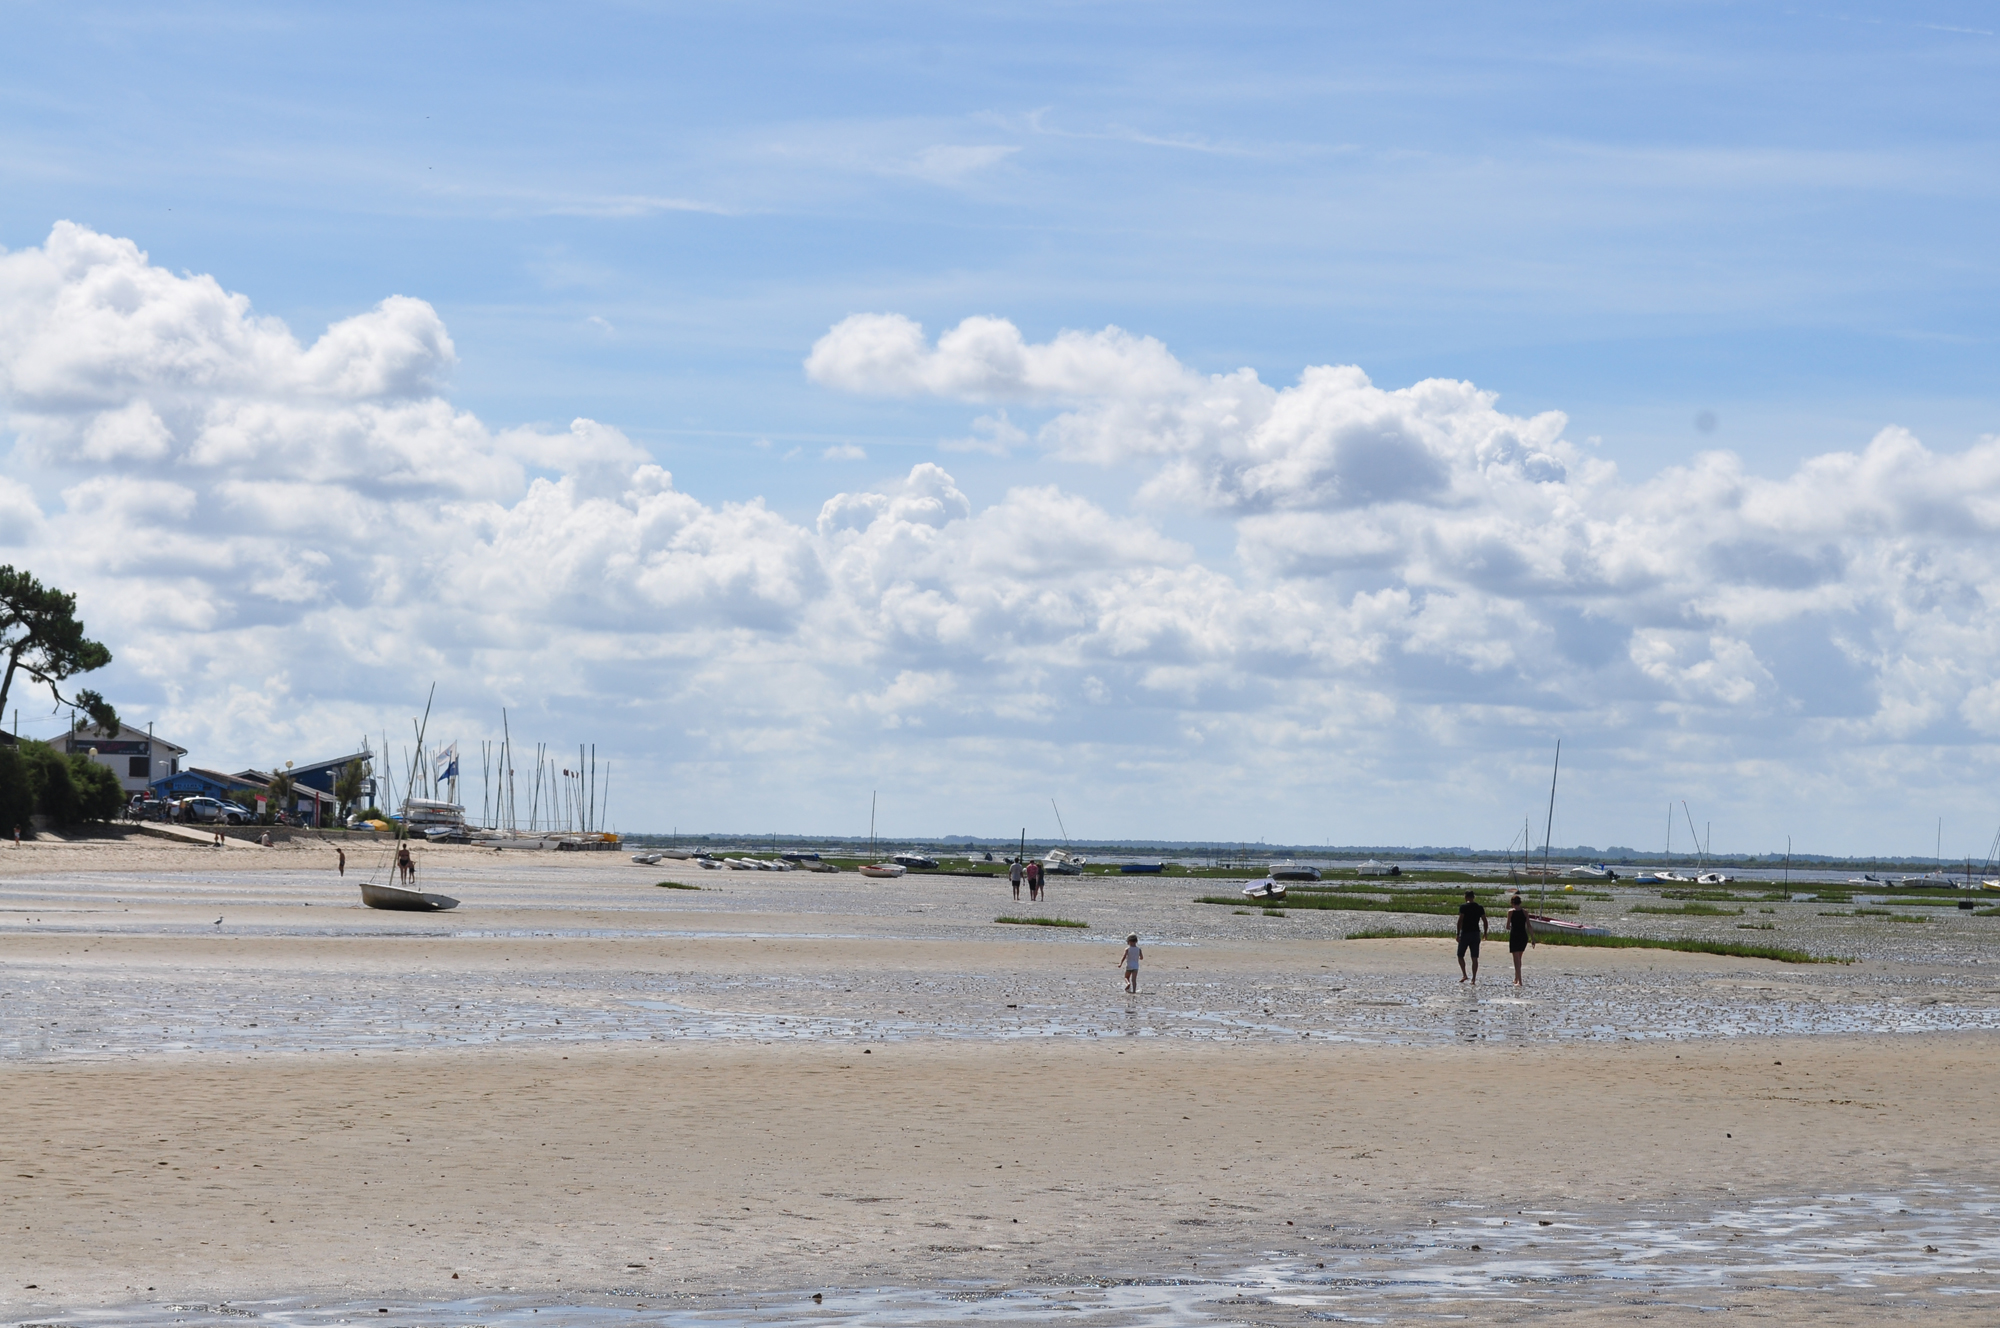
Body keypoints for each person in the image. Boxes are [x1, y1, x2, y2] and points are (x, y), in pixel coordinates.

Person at [1456, 890, 1489, 984]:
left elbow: (1460, 921)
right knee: (1474, 957)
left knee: (1460, 955)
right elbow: (1485, 921)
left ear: (1466, 897)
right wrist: (1485, 933)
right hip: (1475, 933)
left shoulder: (1463, 907)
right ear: (1473, 897)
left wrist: (1458, 933)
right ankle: (1473, 978)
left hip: (1465, 933)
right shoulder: (1479, 907)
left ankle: (1465, 974)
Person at [1506, 892, 1533, 985]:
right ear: (1520, 902)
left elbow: (1508, 926)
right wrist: (1533, 938)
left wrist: (1509, 925)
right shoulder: (1525, 912)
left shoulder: (1510, 912)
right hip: (1523, 936)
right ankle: (1516, 978)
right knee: (1519, 958)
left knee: (1516, 959)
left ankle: (1520, 981)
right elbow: (1529, 926)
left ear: (1512, 903)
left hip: (1515, 935)